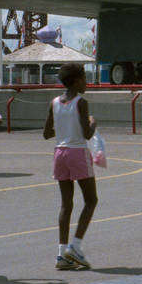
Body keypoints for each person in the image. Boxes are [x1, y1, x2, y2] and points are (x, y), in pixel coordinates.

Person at [43, 63, 98, 271]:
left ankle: (61, 254)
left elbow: (47, 133)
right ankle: (75, 246)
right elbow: (87, 134)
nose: (86, 82)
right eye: (84, 78)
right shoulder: (81, 102)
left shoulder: (55, 102)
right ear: (76, 81)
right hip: (77, 152)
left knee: (66, 205)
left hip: (60, 153)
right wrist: (93, 122)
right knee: (91, 200)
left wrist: (63, 125)